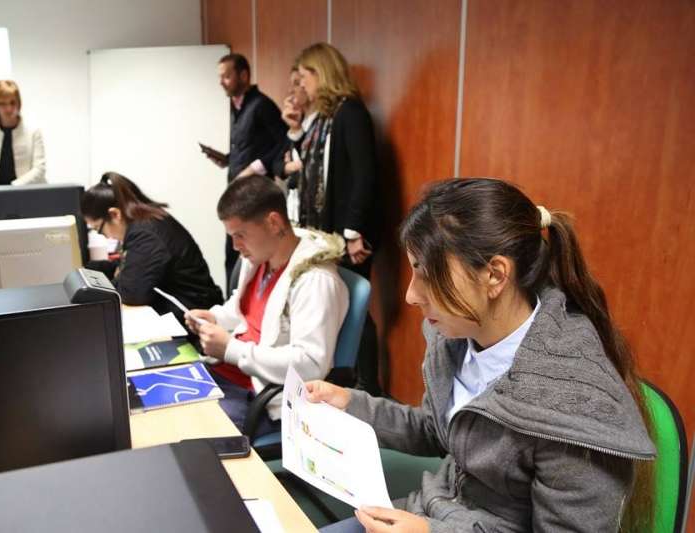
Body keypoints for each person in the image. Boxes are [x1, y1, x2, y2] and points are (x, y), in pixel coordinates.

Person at [308, 178, 656, 532]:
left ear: (495, 275)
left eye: (427, 273)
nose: (411, 295)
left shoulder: (573, 412)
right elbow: (439, 428)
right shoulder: (461, 337)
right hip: (431, 512)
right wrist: (351, 404)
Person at [186, 175, 348, 434]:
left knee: (187, 429)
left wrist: (231, 349)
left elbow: (310, 364)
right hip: (228, 375)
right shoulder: (260, 259)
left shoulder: (315, 280)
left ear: (274, 223)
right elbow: (243, 310)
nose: (235, 246)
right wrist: (215, 318)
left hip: (260, 397)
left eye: (240, 235)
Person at [292, 42, 382, 394]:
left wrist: (354, 232)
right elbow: (308, 164)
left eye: (305, 76)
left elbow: (364, 174)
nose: (302, 84)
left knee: (356, 309)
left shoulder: (351, 113)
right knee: (341, 306)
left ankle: (368, 385)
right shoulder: (325, 117)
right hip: (328, 232)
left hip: (347, 232)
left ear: (322, 73)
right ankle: (347, 377)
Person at [81, 172, 223, 322]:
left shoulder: (145, 235)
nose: (104, 236)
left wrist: (116, 277)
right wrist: (90, 269)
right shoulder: (144, 222)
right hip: (185, 305)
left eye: (99, 229)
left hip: (193, 316)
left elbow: (131, 295)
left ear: (115, 214)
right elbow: (133, 267)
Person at [205, 53, 288, 290]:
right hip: (237, 191)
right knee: (232, 256)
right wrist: (227, 160)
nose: (222, 82)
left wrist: (256, 167)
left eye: (227, 76)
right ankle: (233, 303)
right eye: (220, 77)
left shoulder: (262, 105)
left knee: (248, 256)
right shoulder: (236, 106)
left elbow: (284, 142)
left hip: (255, 196)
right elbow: (250, 145)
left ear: (243, 75)